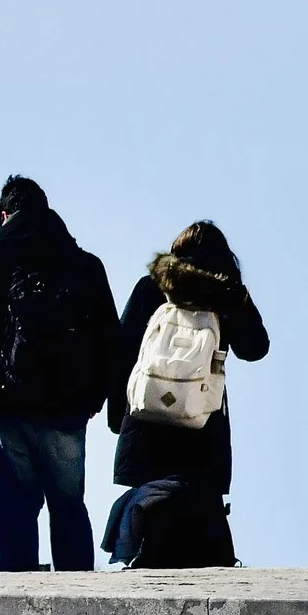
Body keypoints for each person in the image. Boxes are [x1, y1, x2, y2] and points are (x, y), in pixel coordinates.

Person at [0, 176, 117, 572]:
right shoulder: (86, 265)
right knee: (69, 507)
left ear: (3, 215)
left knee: (7, 509)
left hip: (4, 408)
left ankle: (11, 597)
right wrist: (94, 398)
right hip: (67, 411)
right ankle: (78, 591)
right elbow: (111, 341)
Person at [102, 222, 270, 567]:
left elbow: (122, 351)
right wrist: (238, 298)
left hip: (147, 419)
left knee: (150, 505)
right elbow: (256, 348)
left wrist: (118, 416)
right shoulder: (225, 295)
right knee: (199, 511)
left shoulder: (152, 287)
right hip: (201, 422)